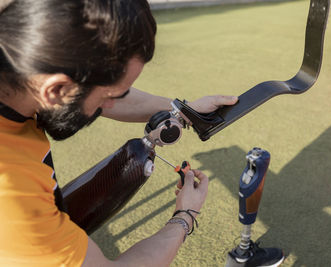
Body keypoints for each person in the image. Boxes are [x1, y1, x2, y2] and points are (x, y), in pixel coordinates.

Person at [0, 0, 284, 266]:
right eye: (109, 95)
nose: (111, 105)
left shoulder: (16, 58)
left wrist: (184, 112)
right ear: (56, 89)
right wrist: (185, 216)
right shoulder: (12, 197)